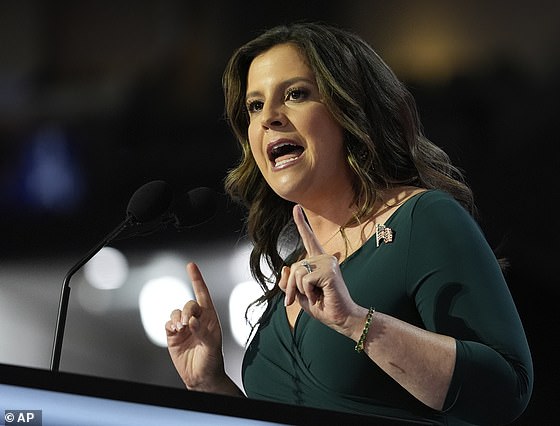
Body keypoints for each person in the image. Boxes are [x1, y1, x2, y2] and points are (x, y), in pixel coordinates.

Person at [165, 22, 533, 425]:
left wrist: (355, 322)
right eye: (254, 106)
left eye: (295, 94)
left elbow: (504, 391)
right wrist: (211, 385)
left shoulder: (423, 219)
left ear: (350, 107)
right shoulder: (298, 265)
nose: (269, 117)